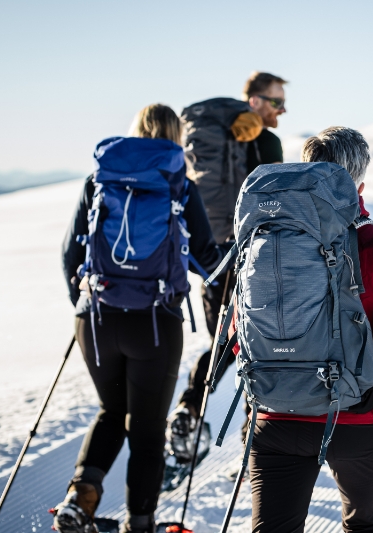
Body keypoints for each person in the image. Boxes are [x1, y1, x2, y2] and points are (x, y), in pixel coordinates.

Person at [243, 127, 373, 533]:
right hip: (359, 423)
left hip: (278, 416)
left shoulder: (264, 238)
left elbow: (243, 330)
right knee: (365, 525)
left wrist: (254, 408)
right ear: (359, 184)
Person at [57, 104, 222, 533]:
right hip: (153, 322)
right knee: (147, 429)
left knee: (112, 410)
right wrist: (230, 292)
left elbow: (69, 253)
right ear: (175, 137)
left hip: (96, 318)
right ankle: (141, 524)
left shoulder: (101, 177)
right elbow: (205, 259)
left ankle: (81, 497)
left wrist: (85, 301)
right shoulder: (177, 183)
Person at [168, 71, 287, 457]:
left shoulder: (206, 142)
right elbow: (276, 201)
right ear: (254, 101)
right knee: (260, 347)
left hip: (212, 258)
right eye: (276, 101)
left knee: (221, 342)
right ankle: (253, 437)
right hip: (252, 258)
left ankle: (189, 404)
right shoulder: (266, 141)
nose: (281, 111)